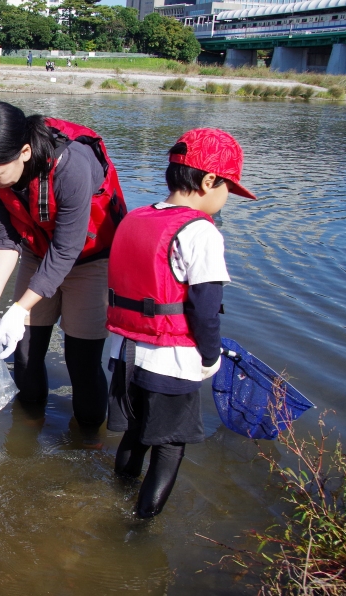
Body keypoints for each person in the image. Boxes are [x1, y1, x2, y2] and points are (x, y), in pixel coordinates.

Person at [106, 128, 256, 518]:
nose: (227, 200)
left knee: (135, 435)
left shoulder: (135, 217)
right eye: (228, 190)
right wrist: (210, 359)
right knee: (170, 448)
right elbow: (206, 310)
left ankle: (114, 496)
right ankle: (138, 532)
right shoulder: (200, 232)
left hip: (122, 354)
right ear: (209, 181)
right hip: (168, 361)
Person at [0, 101, 127, 445]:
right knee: (25, 351)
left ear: (22, 152)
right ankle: (26, 434)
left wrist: (19, 309)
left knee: (82, 361)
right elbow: (5, 236)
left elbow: (67, 248)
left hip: (91, 259)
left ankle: (88, 441)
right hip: (39, 251)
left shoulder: (72, 166)